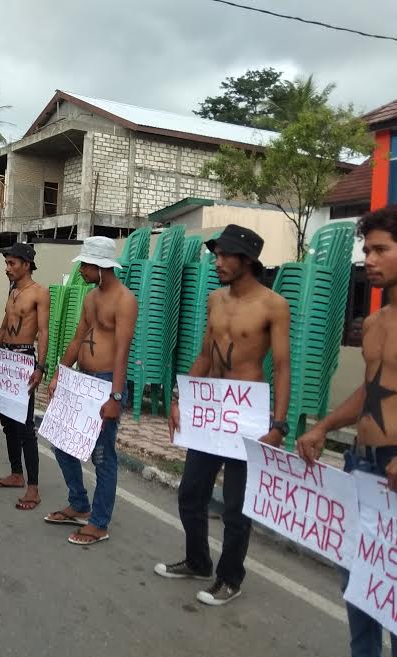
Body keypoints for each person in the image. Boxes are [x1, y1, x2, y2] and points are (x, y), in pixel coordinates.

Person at [154, 224, 291, 605]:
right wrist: (181, 397)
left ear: (247, 260)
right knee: (190, 493)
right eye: (216, 255)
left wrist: (278, 424)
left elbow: (282, 367)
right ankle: (198, 561)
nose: (218, 261)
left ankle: (230, 577)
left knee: (235, 505)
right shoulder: (215, 299)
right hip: (212, 409)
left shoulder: (273, 305)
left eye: (225, 255)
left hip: (246, 415)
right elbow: (204, 354)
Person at [297, 207, 397, 656]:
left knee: (393, 598)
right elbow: (372, 390)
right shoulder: (374, 323)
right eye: (367, 250)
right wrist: (325, 426)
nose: (369, 259)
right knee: (359, 586)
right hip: (362, 466)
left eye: (380, 250)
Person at [44, 237, 137, 544]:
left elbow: (122, 352)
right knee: (63, 444)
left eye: (85, 265)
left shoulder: (124, 300)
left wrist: (116, 396)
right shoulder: (91, 298)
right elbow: (77, 339)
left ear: (102, 267)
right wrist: (61, 373)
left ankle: (99, 522)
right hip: (83, 380)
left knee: (102, 456)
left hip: (107, 382)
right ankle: (80, 504)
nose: (81, 270)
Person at [0, 242, 50, 511]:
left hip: (24, 359)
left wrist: (40, 366)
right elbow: (2, 325)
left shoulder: (40, 292)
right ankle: (16, 473)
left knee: (25, 427)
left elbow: (43, 332)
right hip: (5, 359)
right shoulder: (13, 290)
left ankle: (33, 488)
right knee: (7, 421)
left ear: (26, 264)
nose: (7, 269)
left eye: (12, 263)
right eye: (6, 263)